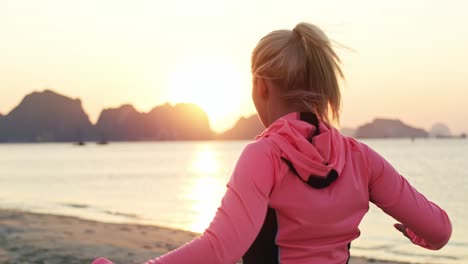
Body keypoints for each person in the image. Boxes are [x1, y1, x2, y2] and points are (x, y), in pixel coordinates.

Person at [92, 22, 452, 264]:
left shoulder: (265, 156)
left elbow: (221, 248)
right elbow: (439, 230)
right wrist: (421, 237)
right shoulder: (361, 159)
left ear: (260, 86)